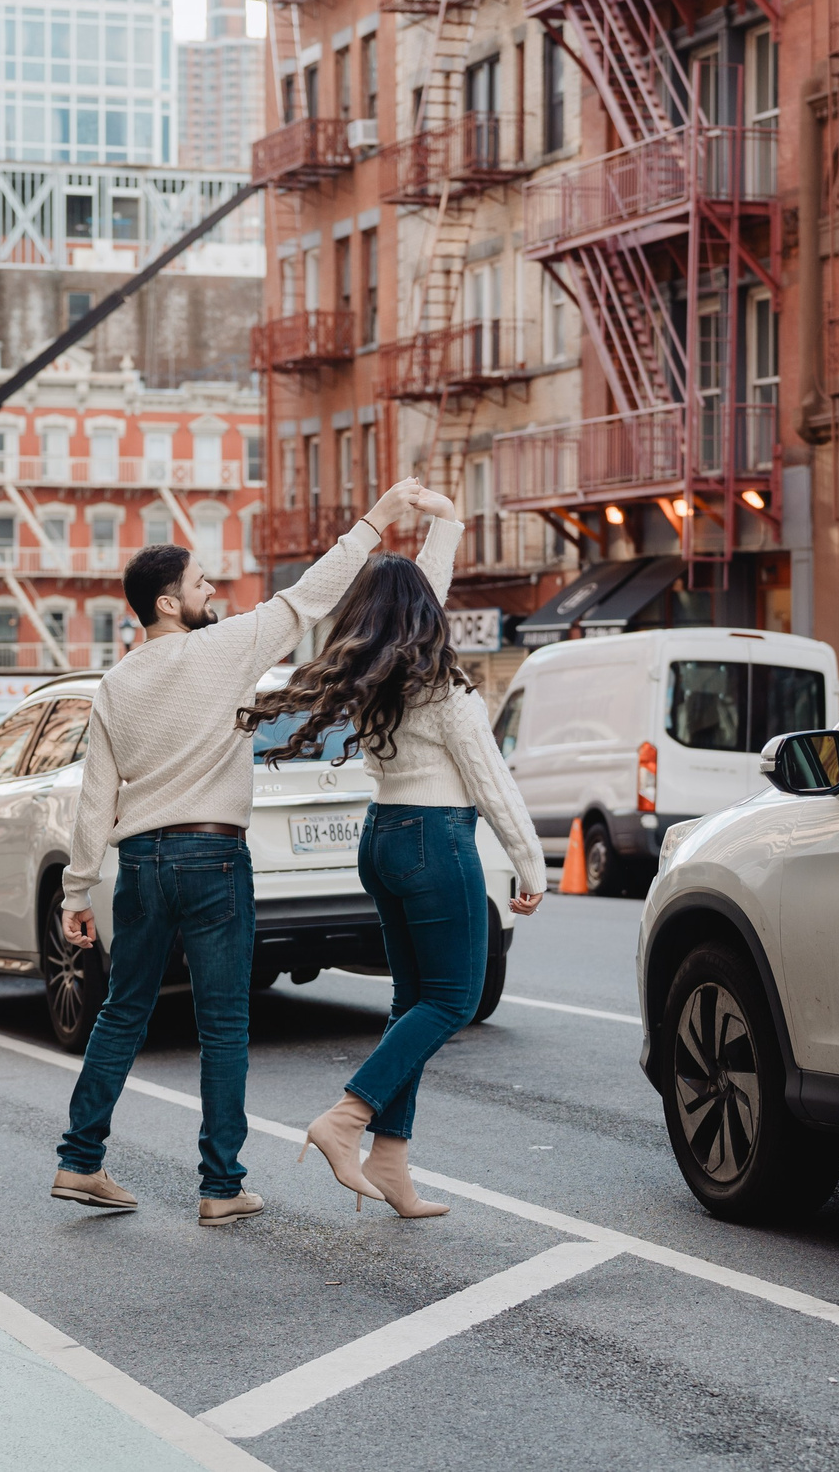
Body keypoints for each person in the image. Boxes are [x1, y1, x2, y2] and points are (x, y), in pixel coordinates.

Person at [52, 477, 441, 1229]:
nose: (212, 590)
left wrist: (77, 891)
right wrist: (375, 520)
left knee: (121, 1013)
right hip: (211, 857)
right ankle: (220, 1183)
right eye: (200, 582)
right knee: (223, 1022)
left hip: (140, 864)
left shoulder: (115, 681)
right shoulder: (222, 647)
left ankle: (79, 1159)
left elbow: (95, 796)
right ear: (168, 602)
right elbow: (311, 596)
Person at [239, 491, 547, 1218]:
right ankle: (346, 1120)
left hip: (383, 839)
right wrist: (530, 866)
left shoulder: (383, 679)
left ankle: (392, 1160)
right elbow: (492, 785)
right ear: (426, 619)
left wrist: (447, 518)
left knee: (414, 999)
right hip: (435, 842)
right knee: (453, 998)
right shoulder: (446, 689)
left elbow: (421, 591)